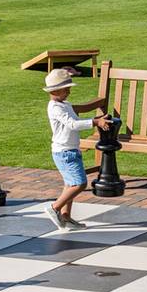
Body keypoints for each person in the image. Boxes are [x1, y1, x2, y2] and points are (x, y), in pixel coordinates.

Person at [42, 67, 111, 231]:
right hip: (64, 152)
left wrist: (97, 118)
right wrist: (95, 122)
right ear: (56, 90)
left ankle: (66, 217)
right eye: (66, 89)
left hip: (71, 150)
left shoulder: (64, 104)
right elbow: (73, 124)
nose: (69, 92)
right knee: (79, 183)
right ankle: (55, 208)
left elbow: (74, 118)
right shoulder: (55, 108)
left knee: (70, 184)